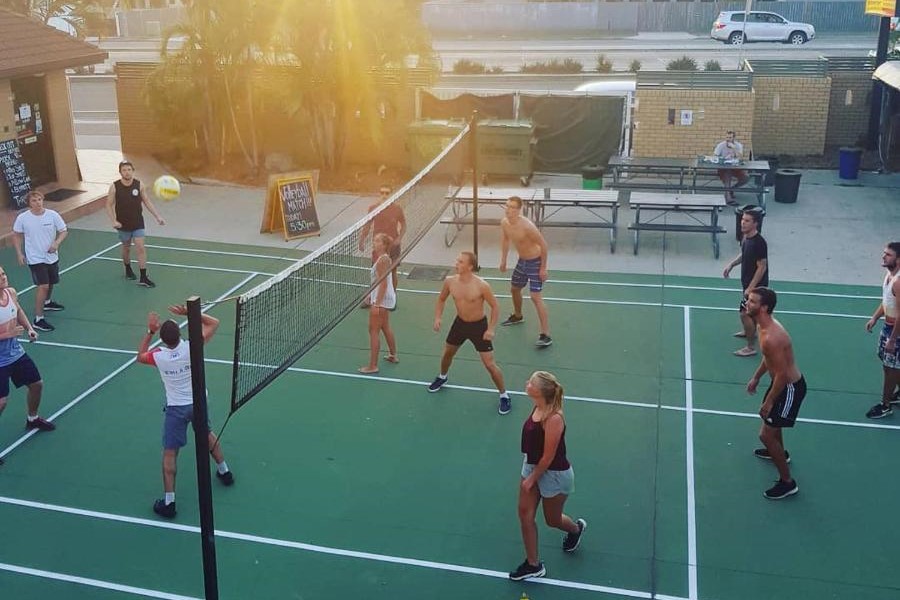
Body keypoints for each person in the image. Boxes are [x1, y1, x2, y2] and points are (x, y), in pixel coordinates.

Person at [138, 305, 234, 518]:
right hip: (198, 402)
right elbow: (214, 323)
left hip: (176, 409)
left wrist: (149, 331)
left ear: (163, 340)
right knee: (207, 434)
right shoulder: (193, 347)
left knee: (170, 452)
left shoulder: (158, 356)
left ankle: (169, 503)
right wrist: (190, 313)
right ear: (180, 335)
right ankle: (224, 472)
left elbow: (140, 356)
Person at [509, 370, 586, 581]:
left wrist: (532, 479)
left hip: (554, 474)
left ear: (540, 392)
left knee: (552, 520)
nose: (527, 383)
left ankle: (575, 528)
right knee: (525, 516)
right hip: (531, 466)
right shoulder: (538, 406)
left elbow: (549, 456)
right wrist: (529, 474)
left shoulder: (554, 418)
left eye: (530, 383)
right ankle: (533, 565)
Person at [428, 251, 512, 415]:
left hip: (479, 327)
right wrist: (438, 317)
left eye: (460, 262)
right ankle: (442, 376)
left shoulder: (482, 285)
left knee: (489, 365)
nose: (456, 263)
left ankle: (504, 395)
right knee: (447, 354)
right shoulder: (450, 281)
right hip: (459, 324)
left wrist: (491, 329)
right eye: (457, 260)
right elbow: (441, 299)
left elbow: (495, 307)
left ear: (470, 266)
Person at [745, 287, 806, 500]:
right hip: (780, 383)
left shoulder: (772, 336)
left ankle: (788, 483)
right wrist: (756, 377)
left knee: (765, 434)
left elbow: (781, 374)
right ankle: (779, 453)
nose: (747, 303)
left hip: (789, 388)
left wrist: (770, 401)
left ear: (764, 307)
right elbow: (769, 359)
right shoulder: (764, 327)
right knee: (770, 424)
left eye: (752, 301)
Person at [0, 265, 55, 466]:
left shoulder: (11, 292)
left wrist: (29, 328)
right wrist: (7, 334)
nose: (3, 277)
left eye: (4, 273)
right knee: (1, 402)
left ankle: (33, 418)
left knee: (36, 384)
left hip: (15, 354)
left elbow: (19, 310)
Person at [499, 196, 552, 348]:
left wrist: (543, 268)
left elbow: (544, 245)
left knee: (535, 297)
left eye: (512, 207)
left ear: (518, 210)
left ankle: (546, 335)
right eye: (507, 206)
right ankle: (517, 315)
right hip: (522, 262)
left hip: (535, 262)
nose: (508, 210)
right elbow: (505, 240)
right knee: (514, 289)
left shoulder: (528, 226)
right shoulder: (504, 223)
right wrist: (503, 260)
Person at [12, 191, 67, 332]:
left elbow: (63, 231)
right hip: (35, 258)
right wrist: (19, 253)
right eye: (34, 201)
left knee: (51, 281)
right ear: (29, 203)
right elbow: (17, 235)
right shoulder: (23, 218)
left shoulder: (52, 215)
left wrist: (56, 243)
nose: (38, 203)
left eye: (39, 199)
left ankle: (47, 303)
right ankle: (38, 319)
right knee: (43, 286)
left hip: (51, 256)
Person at [106, 161, 165, 288]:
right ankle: (128, 269)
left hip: (138, 222)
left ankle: (143, 277)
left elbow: (147, 201)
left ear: (133, 170)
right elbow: (108, 204)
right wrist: (113, 221)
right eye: (124, 170)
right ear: (120, 172)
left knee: (140, 247)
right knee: (126, 247)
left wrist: (157, 216)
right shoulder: (115, 186)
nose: (127, 172)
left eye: (129, 169)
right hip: (123, 224)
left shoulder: (139, 185)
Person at [722, 210, 768, 357]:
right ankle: (749, 332)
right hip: (748, 283)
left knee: (744, 313)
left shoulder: (760, 243)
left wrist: (751, 288)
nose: (743, 222)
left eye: (747, 220)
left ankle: (750, 347)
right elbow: (745, 253)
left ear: (755, 223)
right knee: (750, 314)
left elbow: (762, 266)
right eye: (743, 219)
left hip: (757, 287)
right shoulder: (745, 237)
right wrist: (732, 264)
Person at [864, 242, 900, 419]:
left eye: (888, 255)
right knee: (886, 360)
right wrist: (875, 317)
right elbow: (887, 301)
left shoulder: (899, 282)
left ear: (899, 260)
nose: (883, 256)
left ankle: (885, 405)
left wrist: (893, 340)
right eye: (884, 253)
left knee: (890, 368)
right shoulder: (889, 275)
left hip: (896, 331)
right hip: (888, 327)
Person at [358, 185, 406, 306]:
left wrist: (399, 238)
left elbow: (404, 224)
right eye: (382, 193)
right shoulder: (373, 208)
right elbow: (368, 224)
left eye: (387, 193)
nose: (384, 195)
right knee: (375, 272)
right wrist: (362, 240)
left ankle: (392, 298)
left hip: (392, 246)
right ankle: (371, 298)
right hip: (378, 246)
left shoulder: (397, 209)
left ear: (391, 194)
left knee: (392, 271)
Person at [359, 233, 398, 374]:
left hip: (382, 300)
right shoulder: (383, 259)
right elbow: (378, 281)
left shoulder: (383, 260)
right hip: (384, 298)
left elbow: (382, 284)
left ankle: (373, 366)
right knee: (385, 326)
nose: (374, 243)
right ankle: (393, 355)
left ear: (384, 245)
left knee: (373, 330)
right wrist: (370, 295)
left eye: (377, 241)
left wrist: (376, 304)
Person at [713, 130, 750, 206]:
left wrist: (734, 148)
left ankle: (732, 189)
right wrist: (721, 159)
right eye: (727, 137)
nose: (728, 139)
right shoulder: (721, 145)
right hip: (723, 168)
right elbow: (715, 156)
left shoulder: (738, 145)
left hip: (736, 167)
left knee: (746, 177)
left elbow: (741, 157)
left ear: (734, 138)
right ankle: (728, 198)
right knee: (727, 174)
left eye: (730, 137)